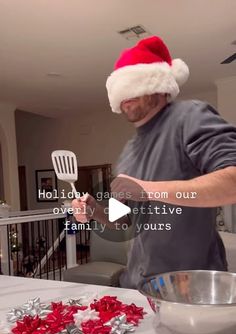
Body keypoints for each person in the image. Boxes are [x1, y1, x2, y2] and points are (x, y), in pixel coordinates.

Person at [72, 35, 236, 289]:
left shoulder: (189, 116)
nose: (126, 95)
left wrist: (148, 189)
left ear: (159, 84)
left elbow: (232, 181)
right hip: (138, 283)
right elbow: (124, 220)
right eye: (120, 89)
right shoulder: (129, 150)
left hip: (192, 285)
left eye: (134, 85)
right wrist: (95, 211)